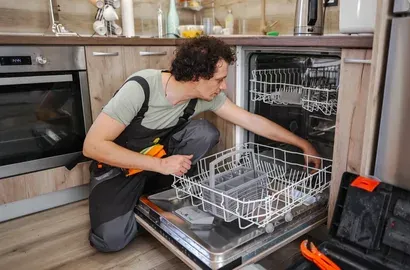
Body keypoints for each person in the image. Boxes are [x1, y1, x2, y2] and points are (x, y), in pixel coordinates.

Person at [83, 36, 320, 252]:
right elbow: (92, 146)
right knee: (110, 240)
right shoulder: (141, 88)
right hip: (120, 167)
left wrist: (303, 144)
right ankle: (138, 204)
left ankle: (156, 195)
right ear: (196, 77)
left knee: (204, 132)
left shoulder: (206, 97)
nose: (224, 86)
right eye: (220, 79)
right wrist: (162, 165)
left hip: (159, 160)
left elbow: (251, 120)